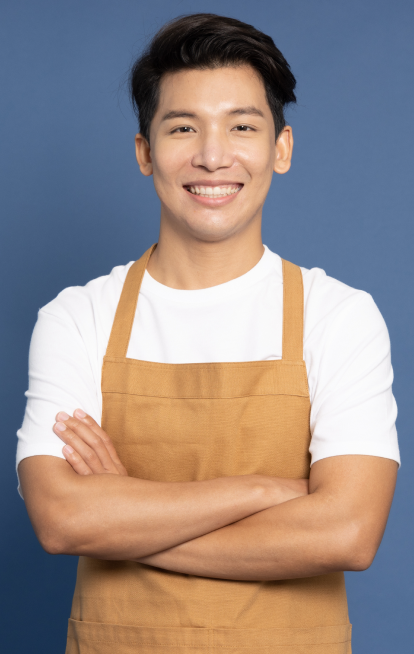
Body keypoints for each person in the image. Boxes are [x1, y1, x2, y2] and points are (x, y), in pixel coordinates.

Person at [17, 13, 400, 654]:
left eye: (242, 126)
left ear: (281, 148)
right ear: (145, 151)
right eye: (183, 127)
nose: (213, 155)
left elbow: (347, 534)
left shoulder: (339, 316)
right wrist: (266, 492)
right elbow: (62, 520)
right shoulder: (77, 317)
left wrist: (127, 514)